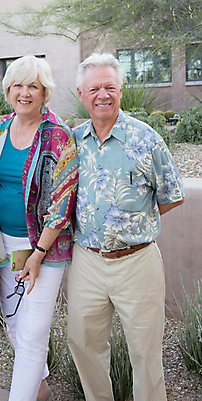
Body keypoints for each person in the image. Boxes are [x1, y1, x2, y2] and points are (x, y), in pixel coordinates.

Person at [68, 53, 185, 401]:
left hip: (137, 262)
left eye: (109, 87)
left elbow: (171, 195)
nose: (102, 94)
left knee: (146, 351)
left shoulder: (146, 139)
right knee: (83, 342)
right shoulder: (71, 142)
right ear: (80, 93)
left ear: (121, 90)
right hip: (86, 261)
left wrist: (134, 225)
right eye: (94, 88)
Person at [0, 55, 79, 401]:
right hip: (2, 244)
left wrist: (40, 252)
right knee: (14, 322)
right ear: (8, 90)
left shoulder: (58, 135)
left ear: (45, 93)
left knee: (33, 332)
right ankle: (39, 389)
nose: (24, 92)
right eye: (17, 85)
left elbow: (62, 202)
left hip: (46, 249)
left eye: (33, 86)